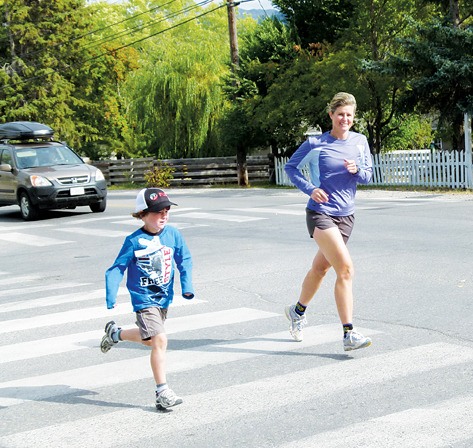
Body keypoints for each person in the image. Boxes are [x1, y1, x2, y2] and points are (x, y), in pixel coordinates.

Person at [284, 92, 373, 351]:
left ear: (353, 117)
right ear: (331, 115)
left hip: (347, 216)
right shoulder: (316, 143)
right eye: (340, 114)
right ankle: (349, 333)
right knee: (345, 269)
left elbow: (368, 175)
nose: (345, 119)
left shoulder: (360, 142)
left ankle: (297, 311)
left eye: (349, 115)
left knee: (321, 269)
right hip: (320, 213)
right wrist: (310, 189)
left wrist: (358, 171)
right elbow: (291, 168)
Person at [100, 187, 194, 410]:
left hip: (163, 299)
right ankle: (162, 391)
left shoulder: (173, 235)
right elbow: (117, 268)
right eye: (158, 211)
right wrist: (111, 294)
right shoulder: (134, 241)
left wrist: (187, 286)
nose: (164, 215)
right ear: (142, 213)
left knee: (150, 340)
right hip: (144, 300)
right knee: (160, 340)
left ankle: (116, 334)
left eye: (167, 210)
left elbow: (185, 260)